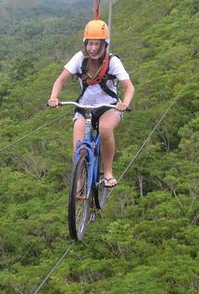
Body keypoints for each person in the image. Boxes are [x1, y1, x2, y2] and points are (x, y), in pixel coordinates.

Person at [47, 19, 135, 188]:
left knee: (105, 129)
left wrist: (125, 103)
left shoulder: (112, 62)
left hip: (108, 107)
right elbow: (61, 80)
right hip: (84, 108)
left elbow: (129, 87)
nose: (93, 48)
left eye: (97, 44)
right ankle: (79, 183)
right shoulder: (80, 59)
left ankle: (108, 171)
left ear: (104, 45)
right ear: (85, 44)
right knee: (78, 148)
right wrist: (54, 97)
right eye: (90, 44)